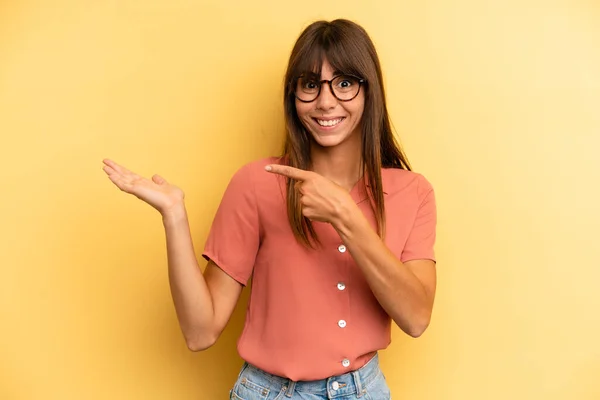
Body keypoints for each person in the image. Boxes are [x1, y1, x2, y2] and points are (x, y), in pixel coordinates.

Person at [102, 18, 437, 400]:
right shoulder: (256, 184)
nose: (326, 101)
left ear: (368, 90)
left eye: (344, 83)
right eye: (310, 85)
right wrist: (174, 216)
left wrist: (346, 217)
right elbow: (200, 332)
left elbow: (416, 318)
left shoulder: (413, 192)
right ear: (293, 96)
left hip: (367, 389)